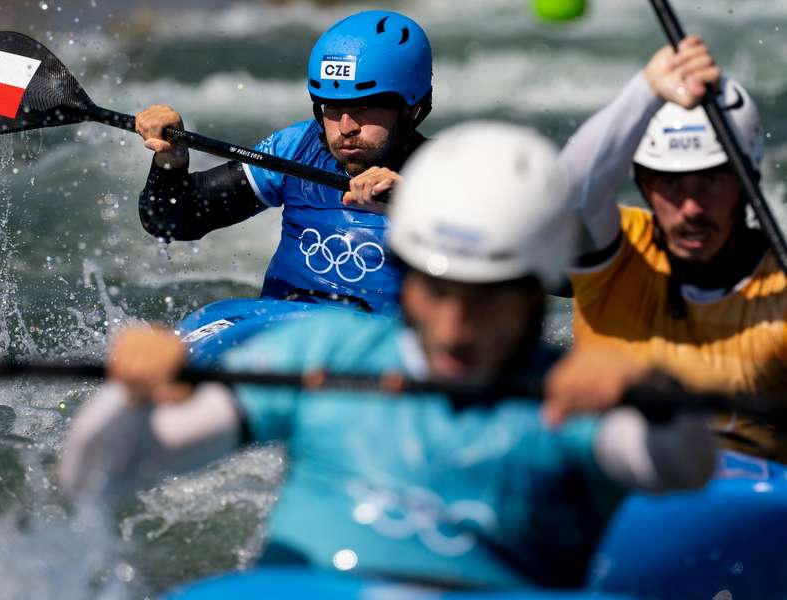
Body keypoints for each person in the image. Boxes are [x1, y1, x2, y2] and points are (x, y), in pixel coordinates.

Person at [60, 122, 715, 590]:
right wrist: (130, 391)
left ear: (532, 287)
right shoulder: (324, 353)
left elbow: (683, 467)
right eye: (436, 289)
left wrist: (651, 390)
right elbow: (94, 474)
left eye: (486, 298)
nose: (457, 326)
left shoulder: (566, 399)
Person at [561, 35, 787, 459]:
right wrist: (647, 89)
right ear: (644, 185)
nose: (690, 207)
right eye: (670, 183)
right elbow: (566, 192)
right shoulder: (615, 255)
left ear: (747, 181)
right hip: (619, 495)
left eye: (712, 180)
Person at [134, 10, 433, 314]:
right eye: (331, 107)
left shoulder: (448, 179)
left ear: (412, 108)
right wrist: (170, 160)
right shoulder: (297, 148)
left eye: (365, 107)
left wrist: (415, 207)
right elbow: (170, 222)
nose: (345, 127)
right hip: (281, 329)